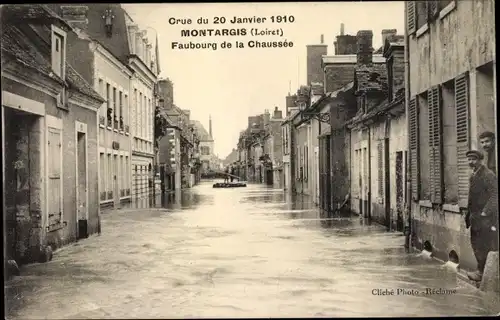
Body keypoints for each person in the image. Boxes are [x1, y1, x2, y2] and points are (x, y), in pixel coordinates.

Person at [464, 150, 499, 282]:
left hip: (485, 218)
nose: (470, 162)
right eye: (468, 159)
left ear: (480, 160)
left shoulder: (488, 175)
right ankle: (481, 271)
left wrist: (485, 212)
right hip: (475, 217)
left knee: (483, 244)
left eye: (473, 159)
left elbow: (495, 195)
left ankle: (482, 273)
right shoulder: (473, 175)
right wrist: (468, 215)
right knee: (476, 244)